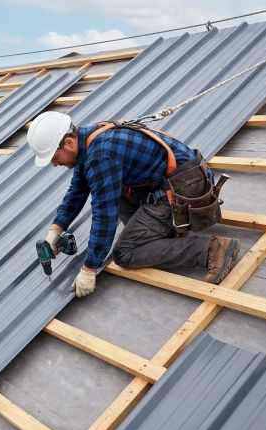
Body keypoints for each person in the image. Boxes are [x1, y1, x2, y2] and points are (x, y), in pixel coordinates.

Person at [28, 111, 239, 298]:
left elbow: (104, 214)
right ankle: (162, 232)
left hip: (184, 189)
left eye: (54, 157)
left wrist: (89, 268)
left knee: (125, 252)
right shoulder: (89, 139)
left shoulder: (101, 154)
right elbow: (78, 190)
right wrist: (56, 229)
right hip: (174, 181)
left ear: (67, 143)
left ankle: (211, 249)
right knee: (110, 188)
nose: (55, 164)